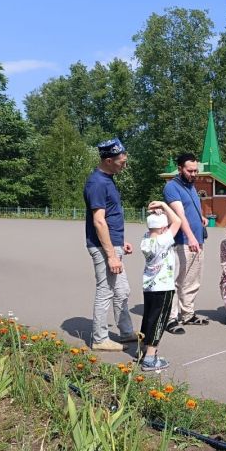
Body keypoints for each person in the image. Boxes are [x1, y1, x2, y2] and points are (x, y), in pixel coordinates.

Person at [84, 138, 136, 351]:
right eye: (121, 160)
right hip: (102, 248)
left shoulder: (108, 179)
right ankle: (99, 339)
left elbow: (111, 215)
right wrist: (111, 255)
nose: (124, 163)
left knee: (122, 290)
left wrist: (120, 242)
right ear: (107, 160)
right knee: (105, 291)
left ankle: (125, 332)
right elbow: (98, 220)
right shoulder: (96, 183)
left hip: (113, 244)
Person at [163, 153, 209, 334]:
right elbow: (180, 215)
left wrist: (201, 218)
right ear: (180, 168)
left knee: (192, 280)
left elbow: (190, 209)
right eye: (190, 170)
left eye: (196, 170)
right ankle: (171, 318)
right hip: (181, 242)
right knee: (176, 281)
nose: (194, 174)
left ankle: (187, 314)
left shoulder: (190, 186)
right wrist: (190, 237)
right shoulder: (172, 187)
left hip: (197, 241)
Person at [139, 201, 182, 371]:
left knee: (148, 318)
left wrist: (157, 214)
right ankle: (150, 357)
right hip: (163, 287)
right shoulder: (163, 240)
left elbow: (155, 226)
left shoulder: (146, 240)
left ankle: (142, 349)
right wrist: (164, 206)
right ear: (164, 228)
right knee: (159, 321)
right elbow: (177, 221)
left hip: (149, 286)